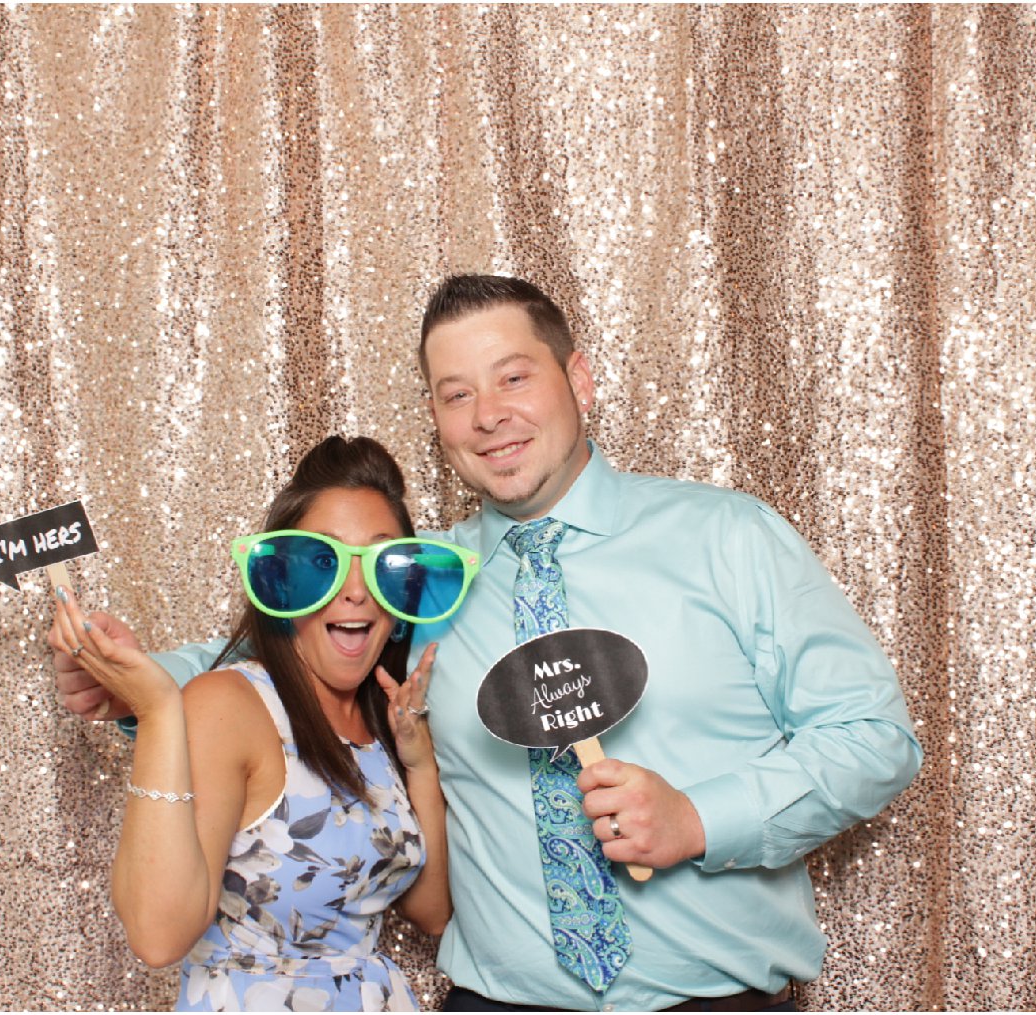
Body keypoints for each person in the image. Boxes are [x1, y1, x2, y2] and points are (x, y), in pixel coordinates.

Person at [56, 275, 923, 1012]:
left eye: (514, 377)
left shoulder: (727, 537)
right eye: (456, 393)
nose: (489, 416)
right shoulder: (428, 579)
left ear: (578, 380)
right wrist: (131, 678)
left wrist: (701, 818)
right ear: (436, 418)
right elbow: (304, 645)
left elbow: (874, 739)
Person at [49, 435, 483, 1012]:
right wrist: (157, 712)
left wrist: (419, 762)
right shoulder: (229, 705)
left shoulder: (377, 718)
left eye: (383, 565)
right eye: (320, 565)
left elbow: (430, 913)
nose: (355, 591)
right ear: (280, 582)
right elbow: (158, 937)